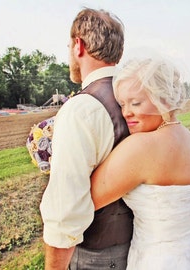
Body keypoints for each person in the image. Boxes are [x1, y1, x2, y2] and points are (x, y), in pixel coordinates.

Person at [90, 52, 190, 269]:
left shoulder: (142, 147)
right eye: (122, 104)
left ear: (163, 99)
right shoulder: (185, 136)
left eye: (135, 103)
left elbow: (86, 198)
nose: (126, 112)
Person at [39, 8, 133, 270]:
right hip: (139, 244)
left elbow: (65, 213)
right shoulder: (141, 97)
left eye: (69, 45)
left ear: (78, 45)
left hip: (97, 257)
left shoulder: (82, 109)